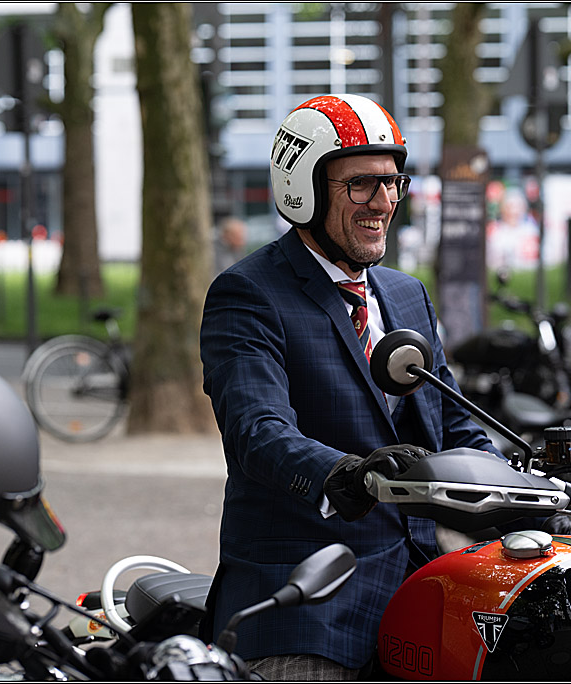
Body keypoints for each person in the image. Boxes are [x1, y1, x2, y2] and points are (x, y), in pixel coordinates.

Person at [199, 94, 498, 680]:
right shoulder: (249, 294)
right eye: (361, 184)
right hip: (308, 600)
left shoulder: (406, 294)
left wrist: (534, 489)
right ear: (302, 190)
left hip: (423, 584)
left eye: (392, 183)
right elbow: (258, 431)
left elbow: (454, 424)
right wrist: (346, 473)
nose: (383, 203)